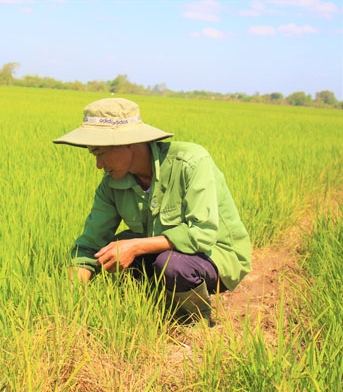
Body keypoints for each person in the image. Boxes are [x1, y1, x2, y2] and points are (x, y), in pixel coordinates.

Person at [53, 98, 252, 326]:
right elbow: (90, 244)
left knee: (171, 264)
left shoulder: (191, 162)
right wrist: (69, 301)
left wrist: (135, 246)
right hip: (163, 253)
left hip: (216, 254)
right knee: (111, 249)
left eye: (100, 153)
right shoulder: (111, 185)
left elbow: (202, 234)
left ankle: (195, 324)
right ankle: (154, 308)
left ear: (127, 143)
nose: (98, 164)